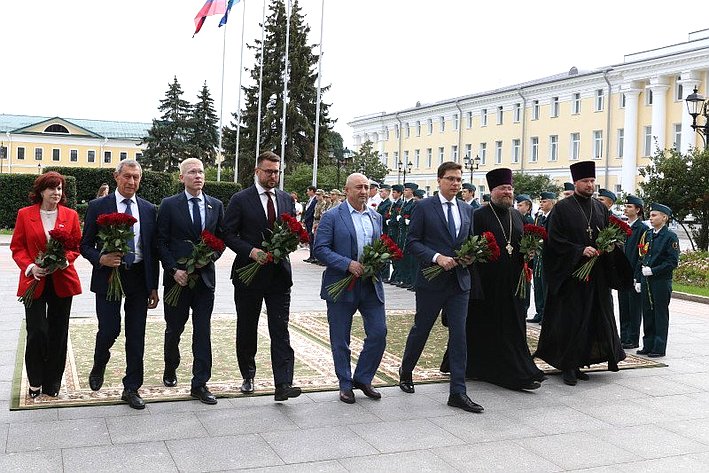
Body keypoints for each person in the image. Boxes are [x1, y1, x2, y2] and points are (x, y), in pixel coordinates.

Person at [534, 161, 631, 386]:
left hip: (595, 276)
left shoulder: (599, 208)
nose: (589, 185)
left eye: (592, 181)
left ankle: (581, 361)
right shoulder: (562, 208)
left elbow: (606, 234)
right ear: (576, 182)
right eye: (585, 181)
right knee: (571, 321)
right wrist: (579, 250)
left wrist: (608, 247)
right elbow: (554, 241)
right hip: (571, 277)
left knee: (592, 320)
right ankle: (567, 365)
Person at [399, 161, 483, 413]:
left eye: (459, 179)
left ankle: (458, 391)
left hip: (459, 282)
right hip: (432, 281)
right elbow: (412, 242)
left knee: (459, 334)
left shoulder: (467, 210)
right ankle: (406, 370)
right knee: (421, 328)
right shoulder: (424, 207)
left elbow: (470, 243)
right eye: (451, 179)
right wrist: (436, 257)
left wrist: (471, 256)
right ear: (439, 180)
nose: (456, 184)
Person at [80, 159, 160, 409]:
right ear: (116, 177)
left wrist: (153, 286)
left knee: (137, 334)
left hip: (138, 277)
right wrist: (100, 258)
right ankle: (99, 360)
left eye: (136, 177)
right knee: (110, 329)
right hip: (108, 276)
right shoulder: (98, 206)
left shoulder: (148, 209)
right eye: (127, 176)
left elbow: (152, 251)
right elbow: (84, 245)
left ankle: (132, 387)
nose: (131, 182)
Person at [223, 151, 301, 401]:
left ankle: (283, 383)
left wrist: (287, 245)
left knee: (280, 328)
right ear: (257, 171)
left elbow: (292, 232)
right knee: (248, 327)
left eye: (277, 171)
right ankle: (248, 373)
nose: (273, 176)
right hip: (249, 275)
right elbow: (228, 234)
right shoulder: (240, 199)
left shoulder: (286, 199)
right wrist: (251, 251)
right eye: (268, 171)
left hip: (279, 275)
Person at [466, 168, 545, 391]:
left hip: (514, 282)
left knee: (513, 325)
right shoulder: (478, 216)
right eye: (503, 188)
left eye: (510, 188)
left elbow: (518, 245)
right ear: (493, 191)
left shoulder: (517, 216)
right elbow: (471, 246)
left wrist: (529, 253)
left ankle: (516, 368)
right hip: (487, 282)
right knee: (487, 325)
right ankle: (486, 368)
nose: (508, 192)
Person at [156, 158, 225, 405]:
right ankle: (170, 366)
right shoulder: (169, 205)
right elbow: (160, 242)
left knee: (203, 331)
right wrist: (174, 269)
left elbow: (220, 240)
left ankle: (200, 383)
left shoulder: (215, 205)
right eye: (192, 172)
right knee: (174, 328)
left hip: (204, 280)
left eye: (201, 172)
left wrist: (208, 258)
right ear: (181, 177)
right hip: (177, 280)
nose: (198, 176)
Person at [314, 173, 387, 404]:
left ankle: (363, 378)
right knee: (340, 338)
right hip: (341, 285)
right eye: (358, 187)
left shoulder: (376, 216)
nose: (364, 191)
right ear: (347, 190)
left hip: (370, 284)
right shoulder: (332, 216)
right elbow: (320, 249)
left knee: (379, 332)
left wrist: (380, 260)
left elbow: (380, 245)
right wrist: (347, 264)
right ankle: (345, 383)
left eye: (366, 187)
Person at [11, 172, 82, 398]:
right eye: (52, 188)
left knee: (58, 333)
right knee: (37, 332)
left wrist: (63, 260)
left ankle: (52, 383)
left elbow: (75, 246)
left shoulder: (70, 215)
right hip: (35, 280)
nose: (57, 193)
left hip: (62, 279)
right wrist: (31, 266)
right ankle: (35, 380)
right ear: (41, 191)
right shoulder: (25, 214)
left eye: (60, 188)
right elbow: (17, 247)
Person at [636, 203, 679, 358]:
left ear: (664, 218)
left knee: (660, 314)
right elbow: (641, 257)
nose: (651, 218)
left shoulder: (670, 236)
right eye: (651, 215)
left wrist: (653, 270)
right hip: (646, 280)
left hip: (660, 281)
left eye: (654, 215)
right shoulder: (648, 234)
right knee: (647, 312)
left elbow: (672, 262)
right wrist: (638, 279)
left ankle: (659, 347)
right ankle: (648, 344)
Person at [618, 195, 648, 349]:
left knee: (634, 308)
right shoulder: (623, 227)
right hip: (622, 274)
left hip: (633, 274)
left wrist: (637, 276)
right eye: (626, 206)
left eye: (630, 207)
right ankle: (624, 337)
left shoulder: (642, 229)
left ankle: (633, 338)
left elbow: (642, 255)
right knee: (623, 307)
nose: (626, 208)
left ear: (637, 210)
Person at [527, 191, 556, 324]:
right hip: (538, 254)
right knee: (538, 283)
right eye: (541, 201)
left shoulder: (554, 217)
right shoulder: (539, 217)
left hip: (548, 254)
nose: (542, 204)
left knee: (546, 285)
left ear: (552, 202)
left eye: (544, 201)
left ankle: (547, 314)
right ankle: (540, 311)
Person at [397, 183, 418, 289]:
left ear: (412, 191)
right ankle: (404, 279)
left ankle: (409, 280)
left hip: (408, 233)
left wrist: (405, 220)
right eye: (404, 190)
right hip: (402, 233)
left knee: (409, 258)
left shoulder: (413, 203)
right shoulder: (405, 203)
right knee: (403, 257)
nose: (404, 192)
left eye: (406, 190)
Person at [387, 185, 404, 284]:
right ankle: (394, 275)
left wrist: (392, 221)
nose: (392, 194)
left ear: (399, 193)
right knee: (392, 255)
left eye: (394, 192)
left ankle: (397, 276)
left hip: (397, 232)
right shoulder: (394, 204)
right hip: (392, 232)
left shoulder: (400, 204)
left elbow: (397, 218)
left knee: (397, 255)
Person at [376, 185, 393, 282]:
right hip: (381, 229)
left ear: (387, 192)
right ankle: (382, 272)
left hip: (385, 229)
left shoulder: (388, 204)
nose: (380, 193)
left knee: (386, 251)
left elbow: (384, 216)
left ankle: (385, 274)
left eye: (382, 191)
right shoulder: (382, 203)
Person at [302, 185, 318, 263]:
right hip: (308, 221)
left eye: (308, 191)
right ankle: (311, 255)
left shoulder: (315, 199)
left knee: (312, 238)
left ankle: (313, 256)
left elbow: (312, 211)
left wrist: (306, 219)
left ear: (312, 191)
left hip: (312, 221)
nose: (307, 192)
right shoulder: (310, 200)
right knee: (309, 239)